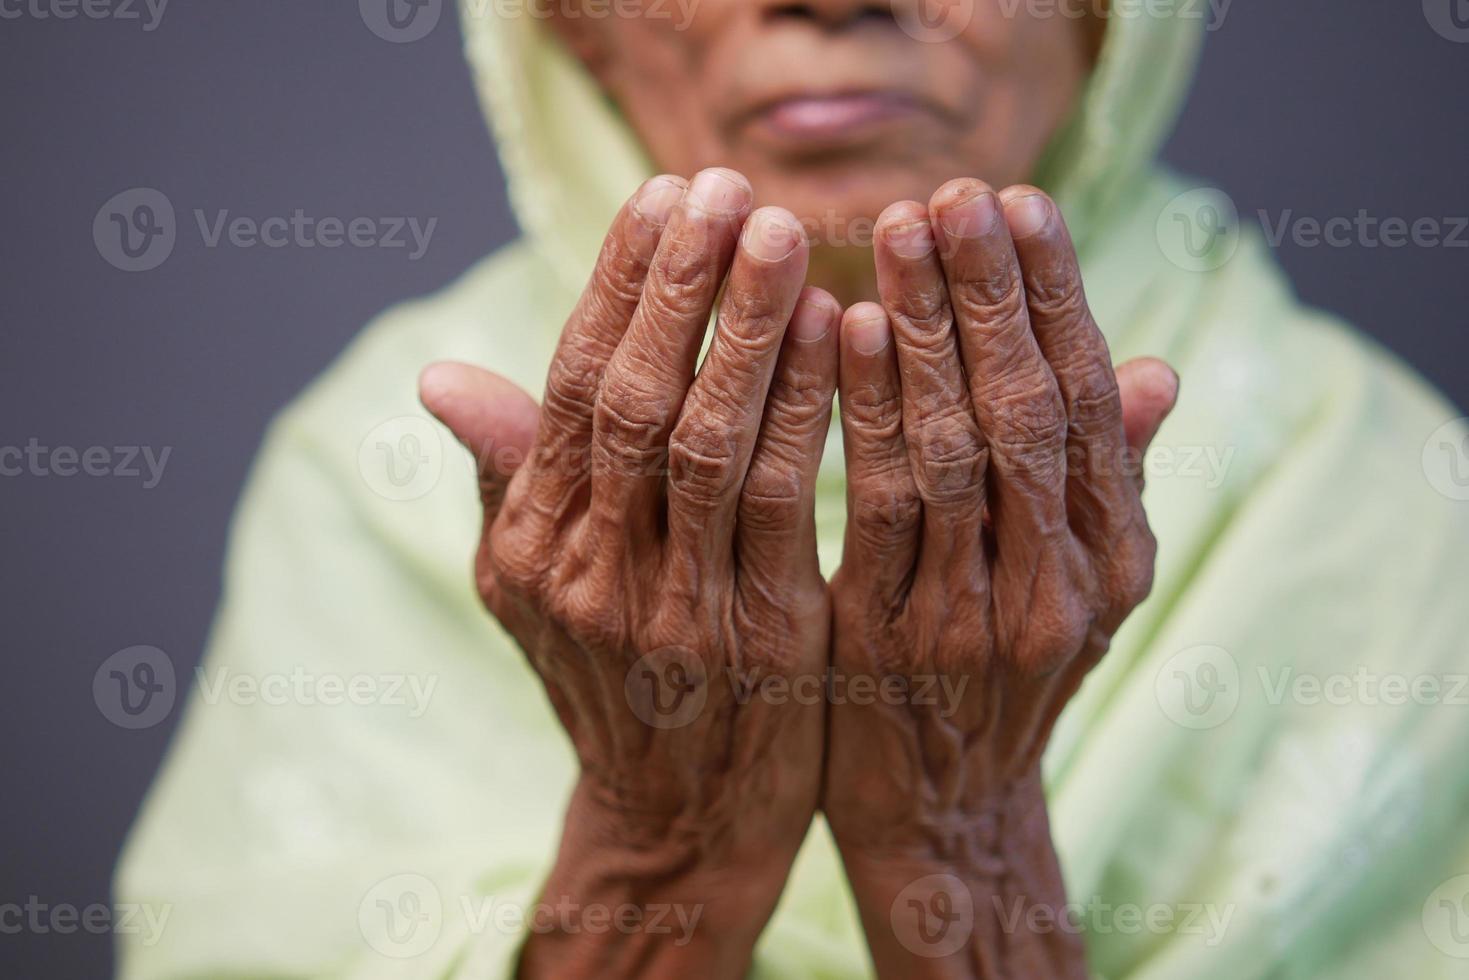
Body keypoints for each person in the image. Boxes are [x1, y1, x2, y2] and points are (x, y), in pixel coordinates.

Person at [116, 0, 1469, 977]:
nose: (829, 2)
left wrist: (960, 840)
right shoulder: (383, 460)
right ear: (570, 26)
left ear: (1111, 19)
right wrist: (664, 843)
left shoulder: (1375, 491)